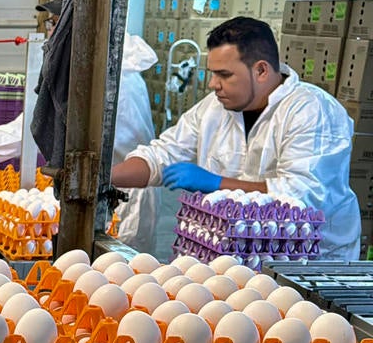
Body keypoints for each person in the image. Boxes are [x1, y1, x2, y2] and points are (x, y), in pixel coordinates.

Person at [0, 0, 162, 252]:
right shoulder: (94, 68)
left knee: (113, 281)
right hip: (98, 195)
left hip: (119, 205)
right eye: (50, 24)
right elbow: (30, 127)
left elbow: (28, 132)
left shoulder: (109, 80)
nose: (50, 32)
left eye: (56, 23)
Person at [111, 16, 359, 260]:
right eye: (212, 73)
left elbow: (301, 199)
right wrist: (104, 178)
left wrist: (217, 183)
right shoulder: (215, 108)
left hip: (301, 262)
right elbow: (162, 153)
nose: (212, 84)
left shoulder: (312, 111)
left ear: (261, 70)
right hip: (230, 252)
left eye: (224, 75)